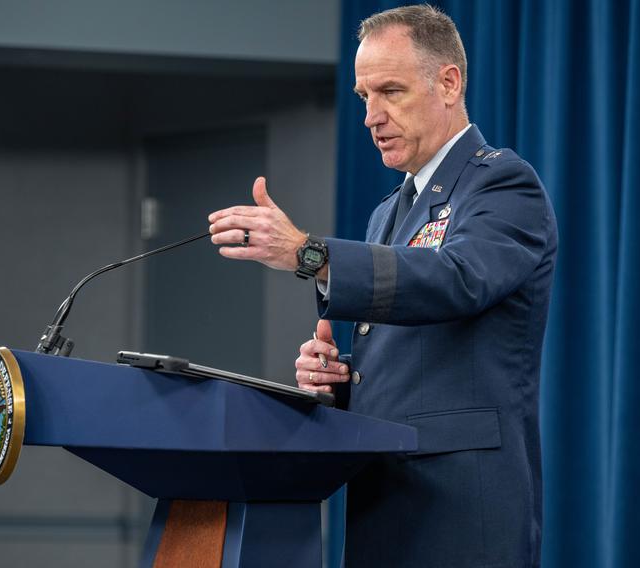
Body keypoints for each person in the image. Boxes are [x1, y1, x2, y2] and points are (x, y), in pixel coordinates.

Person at [208, 5, 556, 567]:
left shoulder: (502, 184)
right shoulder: (387, 213)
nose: (372, 116)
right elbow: (416, 362)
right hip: (383, 493)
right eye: (363, 96)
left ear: (448, 83)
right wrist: (341, 383)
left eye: (390, 91)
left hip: (462, 503)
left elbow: (457, 280)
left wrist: (308, 253)